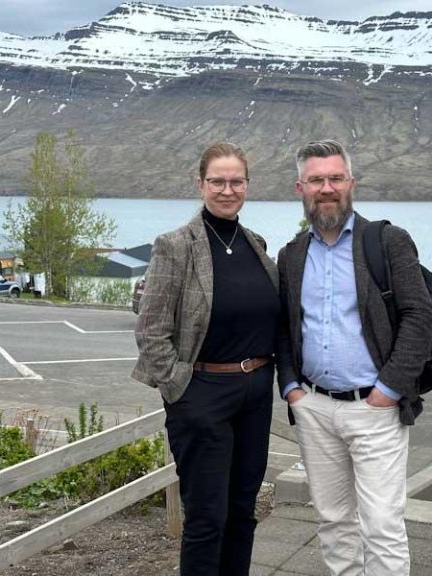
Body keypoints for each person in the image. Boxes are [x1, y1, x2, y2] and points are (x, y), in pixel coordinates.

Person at [276, 139, 432, 576]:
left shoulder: (387, 242)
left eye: (335, 178)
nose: (326, 188)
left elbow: (420, 316)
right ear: (300, 188)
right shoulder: (292, 255)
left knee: (381, 526)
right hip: (314, 407)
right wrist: (291, 388)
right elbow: (284, 327)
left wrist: (388, 390)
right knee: (333, 521)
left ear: (351, 183)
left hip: (374, 409)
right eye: (316, 180)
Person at [132, 141, 279, 576]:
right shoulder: (176, 246)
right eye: (218, 181)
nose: (227, 190)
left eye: (236, 182)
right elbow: (150, 330)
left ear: (247, 185)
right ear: (201, 184)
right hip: (203, 396)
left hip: (255, 394)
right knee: (206, 518)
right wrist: (182, 391)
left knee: (243, 510)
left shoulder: (255, 244)